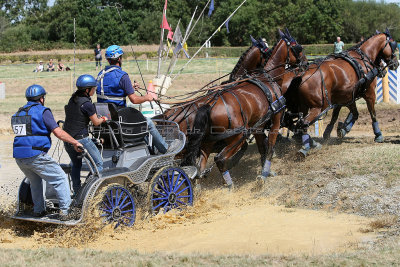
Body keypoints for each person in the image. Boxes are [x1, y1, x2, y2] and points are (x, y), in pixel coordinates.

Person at [11, 85, 82, 219]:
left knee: (35, 181)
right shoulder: (43, 111)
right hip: (35, 154)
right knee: (60, 178)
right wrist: (75, 142)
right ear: (42, 98)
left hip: (19, 157)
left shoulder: (18, 113)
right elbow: (58, 132)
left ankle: (39, 210)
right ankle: (66, 212)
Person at [96, 45, 180, 154]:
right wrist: (147, 97)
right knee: (148, 123)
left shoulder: (100, 75)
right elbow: (134, 100)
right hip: (121, 119)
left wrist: (130, 87)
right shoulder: (122, 76)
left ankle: (149, 149)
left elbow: (111, 91)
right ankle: (165, 148)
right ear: (120, 59)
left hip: (106, 119)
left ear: (107, 59)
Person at [63, 74, 106, 194]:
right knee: (98, 164)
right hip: (81, 140)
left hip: (68, 140)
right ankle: (88, 190)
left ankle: (77, 191)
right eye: (93, 88)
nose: (94, 90)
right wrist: (104, 118)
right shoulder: (87, 104)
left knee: (76, 165)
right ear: (87, 90)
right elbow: (96, 122)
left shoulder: (72, 100)